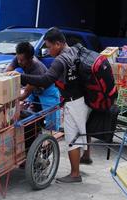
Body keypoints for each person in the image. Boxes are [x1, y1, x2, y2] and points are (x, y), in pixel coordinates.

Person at [7, 28, 91, 183]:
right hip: (71, 96)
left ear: (58, 44)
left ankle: (72, 171)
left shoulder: (54, 61)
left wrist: (21, 81)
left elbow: (45, 80)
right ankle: (83, 158)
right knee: (78, 129)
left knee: (56, 129)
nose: (47, 50)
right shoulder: (72, 52)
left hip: (53, 94)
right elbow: (9, 71)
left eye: (49, 47)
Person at [6, 42, 60, 131]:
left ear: (30, 58)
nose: (19, 62)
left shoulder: (37, 68)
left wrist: (9, 100)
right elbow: (7, 71)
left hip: (47, 91)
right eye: (18, 59)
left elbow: (26, 93)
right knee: (31, 114)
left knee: (51, 120)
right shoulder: (19, 58)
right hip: (34, 90)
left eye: (22, 60)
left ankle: (52, 139)